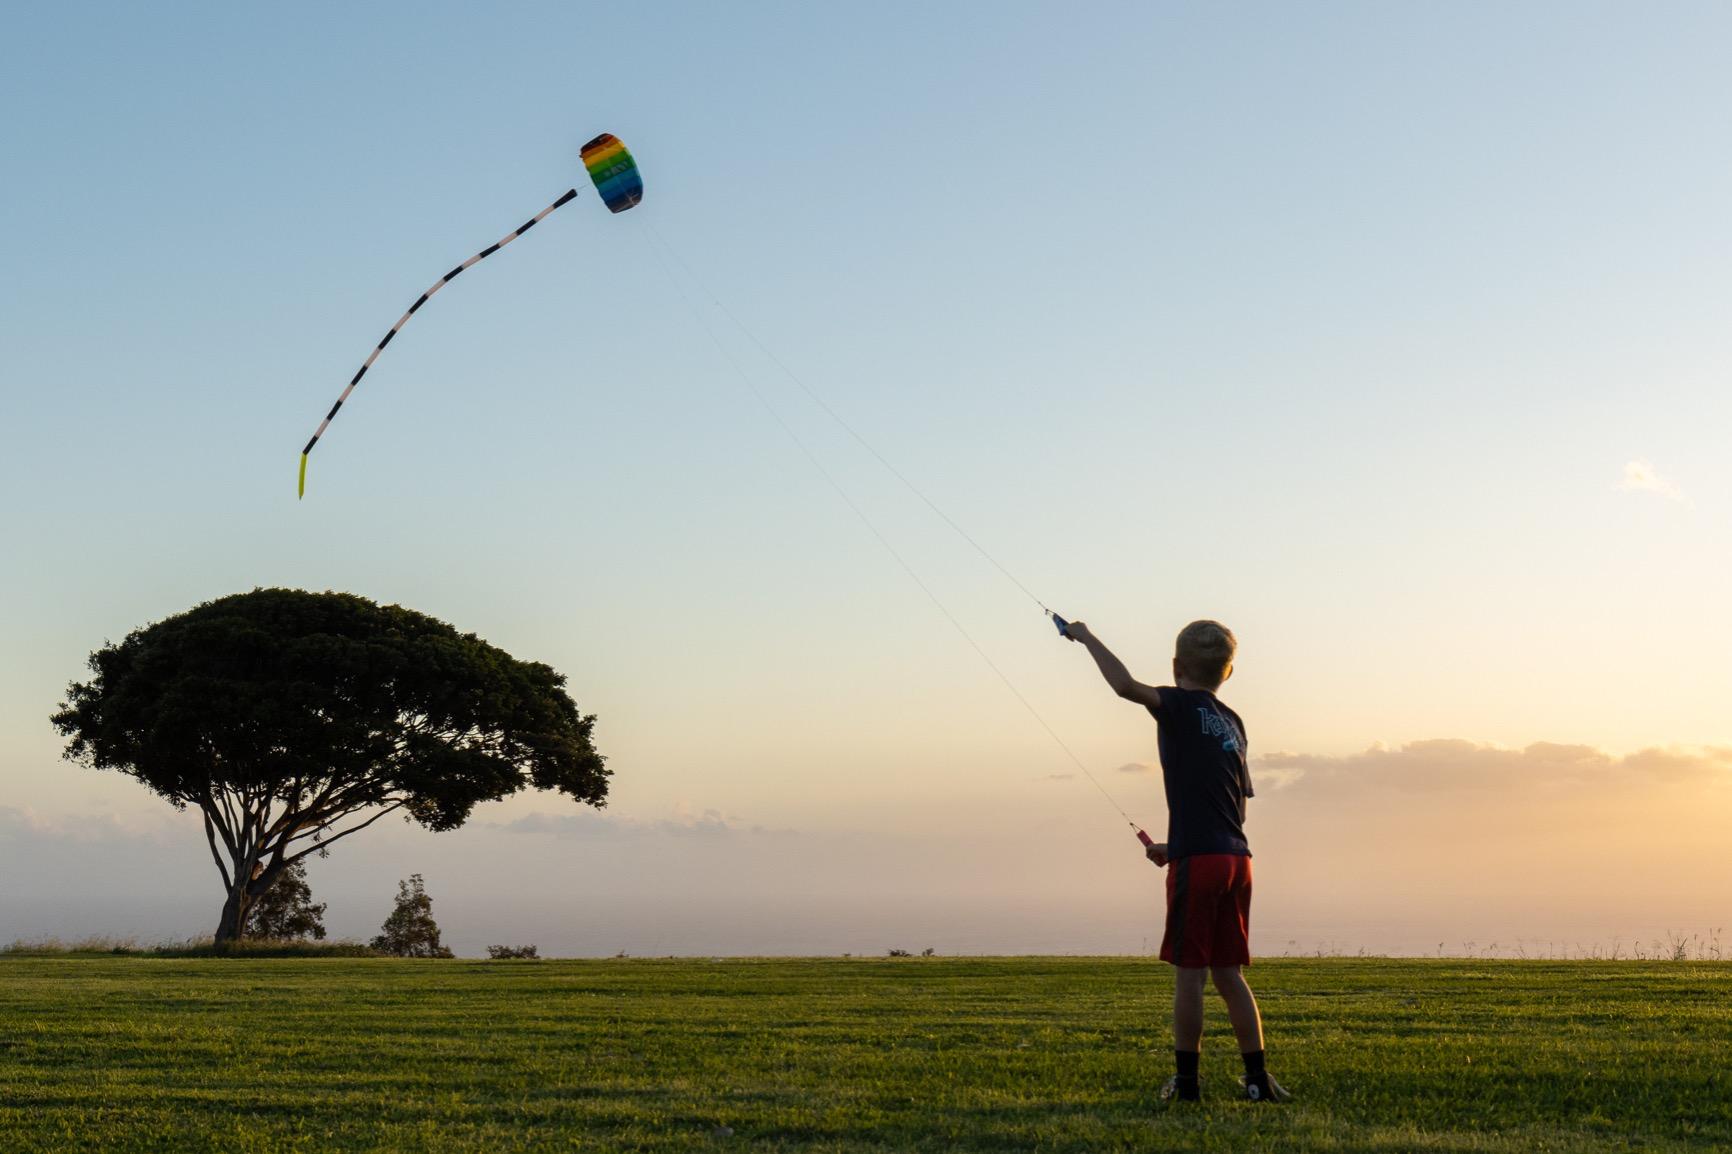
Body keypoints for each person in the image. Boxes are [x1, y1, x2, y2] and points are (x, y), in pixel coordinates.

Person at [1063, 617, 1288, 1104]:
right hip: (1237, 859)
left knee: (1190, 975)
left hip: (1201, 863)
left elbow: (1125, 687)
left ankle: (1186, 1085)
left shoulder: (1178, 704)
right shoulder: (1234, 723)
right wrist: (1176, 843)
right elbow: (1236, 808)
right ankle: (1257, 1080)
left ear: (1176, 666)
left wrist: (1085, 636)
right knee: (1229, 974)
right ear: (1228, 672)